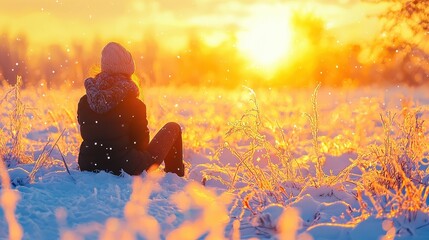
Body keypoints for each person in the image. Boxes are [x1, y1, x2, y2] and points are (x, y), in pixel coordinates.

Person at [77, 42, 184, 177]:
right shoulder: (135, 105)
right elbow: (141, 144)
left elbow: (92, 134)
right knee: (173, 127)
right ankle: (175, 177)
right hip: (126, 167)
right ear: (128, 71)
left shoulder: (84, 101)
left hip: (90, 165)